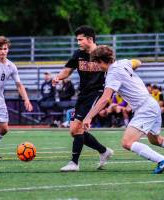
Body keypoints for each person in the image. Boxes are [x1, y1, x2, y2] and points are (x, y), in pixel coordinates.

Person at [83, 45, 164, 174]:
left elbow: (105, 99)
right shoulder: (122, 63)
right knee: (156, 140)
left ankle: (162, 160)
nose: (97, 66)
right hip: (151, 103)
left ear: (100, 61)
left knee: (127, 142)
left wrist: (89, 116)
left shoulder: (112, 73)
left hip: (145, 107)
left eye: (97, 63)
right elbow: (138, 62)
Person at [52, 25, 113, 172]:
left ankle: (74, 163)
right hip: (83, 94)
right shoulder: (78, 54)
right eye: (77, 40)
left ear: (90, 39)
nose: (78, 42)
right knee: (73, 131)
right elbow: (67, 71)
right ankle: (104, 151)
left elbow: (114, 72)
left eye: (80, 39)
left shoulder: (102, 54)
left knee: (77, 128)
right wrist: (58, 78)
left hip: (96, 94)